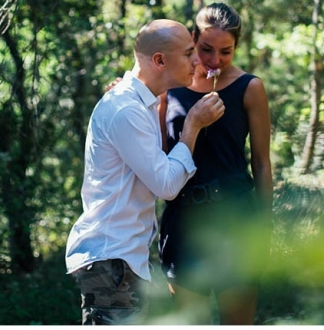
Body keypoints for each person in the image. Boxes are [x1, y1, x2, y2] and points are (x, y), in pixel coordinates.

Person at [65, 19, 225, 325]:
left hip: (123, 260)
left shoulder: (142, 105)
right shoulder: (127, 110)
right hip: (111, 260)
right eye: (189, 53)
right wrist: (192, 126)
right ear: (160, 60)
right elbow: (166, 184)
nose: (198, 61)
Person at [158, 3, 273, 324]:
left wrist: (264, 226)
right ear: (192, 38)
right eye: (206, 49)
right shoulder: (169, 89)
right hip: (183, 221)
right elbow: (158, 157)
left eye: (226, 52)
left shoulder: (250, 88)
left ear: (237, 46)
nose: (214, 60)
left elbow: (262, 164)